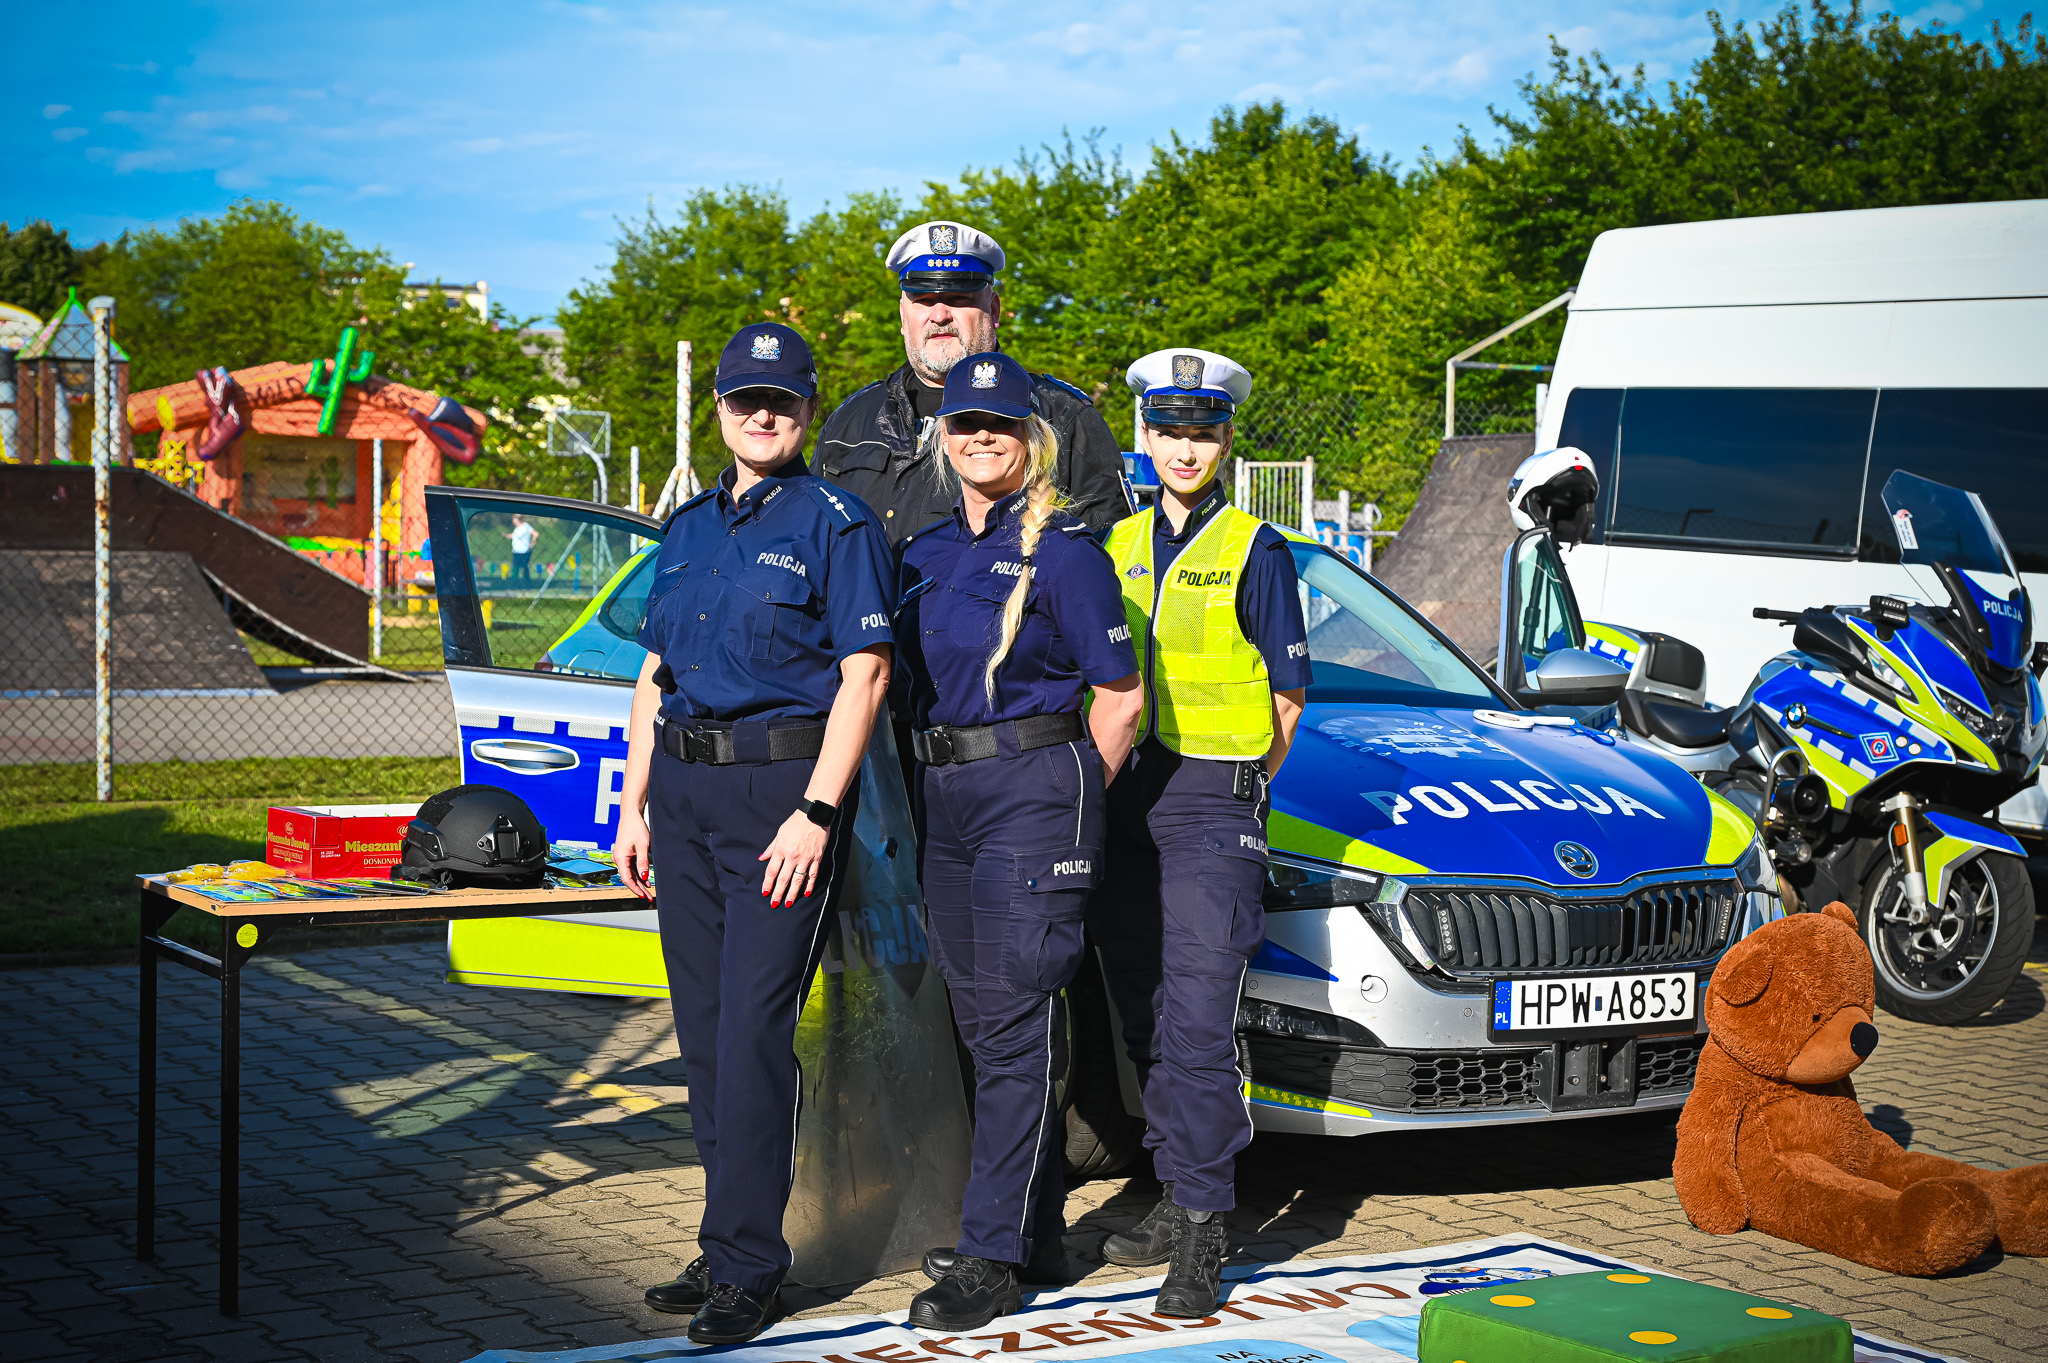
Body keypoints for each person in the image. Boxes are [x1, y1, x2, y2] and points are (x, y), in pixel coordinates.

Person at [613, 321, 896, 1345]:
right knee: (701, 1034)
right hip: (685, 797)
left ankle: (747, 1267)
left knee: (751, 1032)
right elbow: (654, 673)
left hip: (780, 797)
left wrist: (816, 811)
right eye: (745, 401)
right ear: (721, 411)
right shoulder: (687, 526)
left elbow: (866, 675)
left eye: (780, 401)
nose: (762, 415)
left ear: (806, 409)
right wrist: (632, 803)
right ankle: (726, 1235)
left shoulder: (838, 524)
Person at [893, 352, 1144, 1330]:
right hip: (943, 794)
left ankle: (992, 1254)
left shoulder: (1066, 553)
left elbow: (1119, 698)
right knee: (978, 1025)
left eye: (999, 423)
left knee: (1011, 1024)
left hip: (1030, 791)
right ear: (943, 437)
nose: (981, 437)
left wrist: (1066, 794)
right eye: (965, 423)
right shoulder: (923, 552)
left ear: (1031, 437)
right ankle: (1030, 1230)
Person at [1087, 347, 1312, 1317]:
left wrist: (1242, 791)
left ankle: (1204, 1220)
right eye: (1169, 430)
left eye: (1203, 432)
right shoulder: (1113, 543)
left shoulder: (1257, 548)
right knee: (1142, 1011)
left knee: (1197, 1017)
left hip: (1211, 800)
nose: (1185, 448)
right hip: (1124, 796)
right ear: (1143, 435)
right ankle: (1170, 1188)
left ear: (1226, 441)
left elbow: (1288, 699)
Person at [814, 220, 1130, 544]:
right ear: (902, 315)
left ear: (994, 310)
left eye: (958, 298)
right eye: (923, 299)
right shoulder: (851, 419)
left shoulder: (1063, 418)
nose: (940, 315)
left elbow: (1112, 555)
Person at [507, 513, 535, 584]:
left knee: (525, 567)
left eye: (514, 519)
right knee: (515, 567)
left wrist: (533, 542)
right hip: (516, 551)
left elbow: (535, 534)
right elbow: (513, 536)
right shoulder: (517, 529)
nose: (513, 521)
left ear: (518, 519)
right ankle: (515, 583)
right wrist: (505, 535)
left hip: (524, 551)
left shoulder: (526, 526)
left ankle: (527, 583)